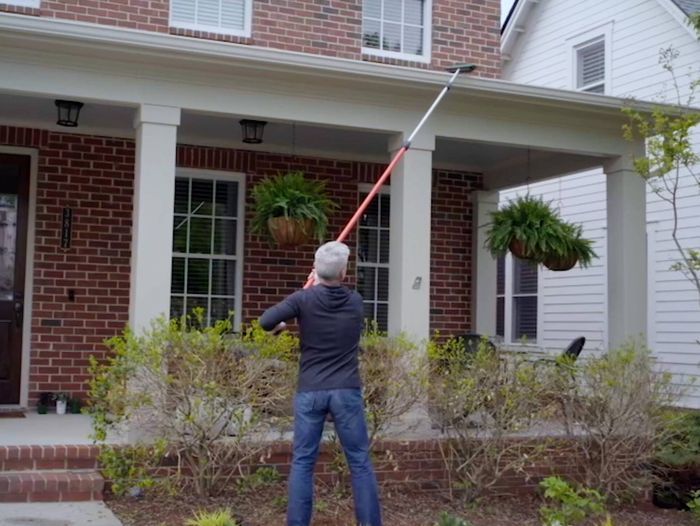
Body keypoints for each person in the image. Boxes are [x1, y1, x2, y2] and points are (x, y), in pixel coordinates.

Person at [259, 241, 382, 526]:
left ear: (315, 268)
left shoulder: (303, 299)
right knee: (360, 462)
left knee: (303, 462)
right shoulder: (355, 301)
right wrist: (314, 287)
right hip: (346, 391)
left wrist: (284, 322)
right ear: (344, 272)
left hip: (311, 391)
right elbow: (328, 295)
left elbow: (267, 321)